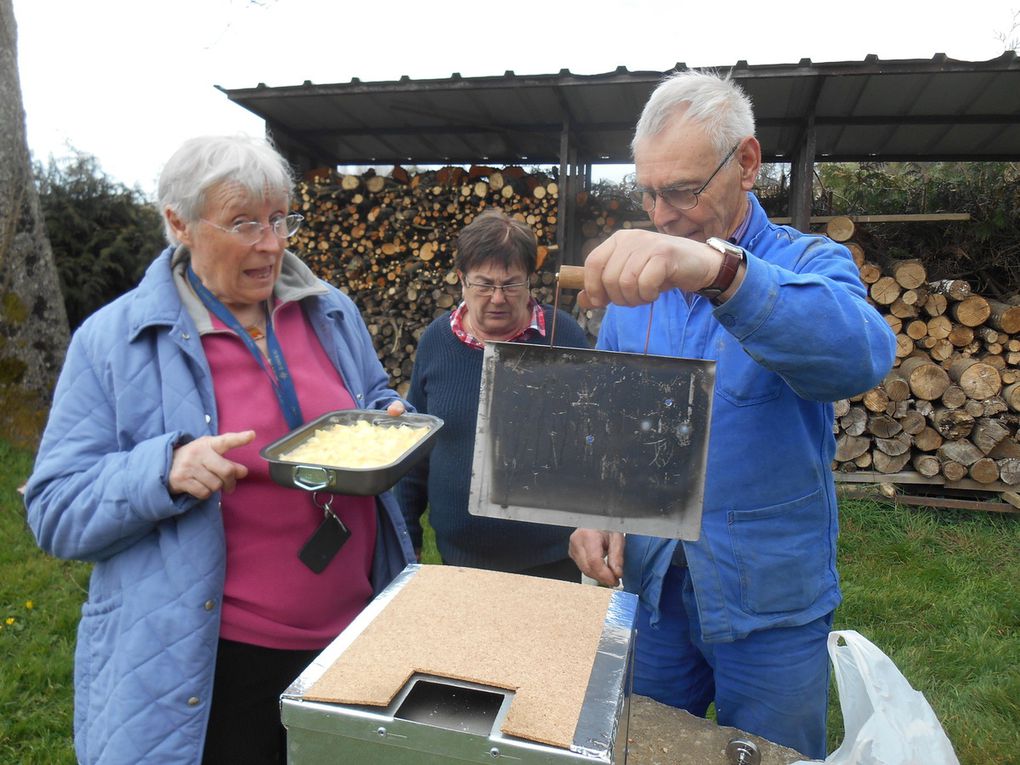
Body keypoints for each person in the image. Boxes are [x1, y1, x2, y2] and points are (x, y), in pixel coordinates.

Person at [24, 134, 415, 765]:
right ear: (178, 223)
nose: (271, 242)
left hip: (351, 639)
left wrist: (386, 415)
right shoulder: (113, 342)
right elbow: (54, 509)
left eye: (279, 218)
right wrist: (164, 470)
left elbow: (368, 393)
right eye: (243, 223)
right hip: (213, 665)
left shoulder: (329, 310)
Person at [568, 71, 896, 759]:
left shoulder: (809, 262)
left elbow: (861, 355)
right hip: (653, 594)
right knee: (644, 747)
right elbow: (613, 423)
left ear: (747, 163)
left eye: (682, 190)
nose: (660, 216)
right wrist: (598, 508)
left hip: (769, 606)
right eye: (648, 192)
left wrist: (720, 274)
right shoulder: (638, 287)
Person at [396, 209, 590, 581]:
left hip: (551, 560)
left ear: (531, 281)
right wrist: (410, 536)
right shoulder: (437, 341)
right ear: (461, 281)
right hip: (459, 559)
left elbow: (589, 443)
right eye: (484, 285)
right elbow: (413, 450)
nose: (498, 298)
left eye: (512, 284)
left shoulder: (562, 337)